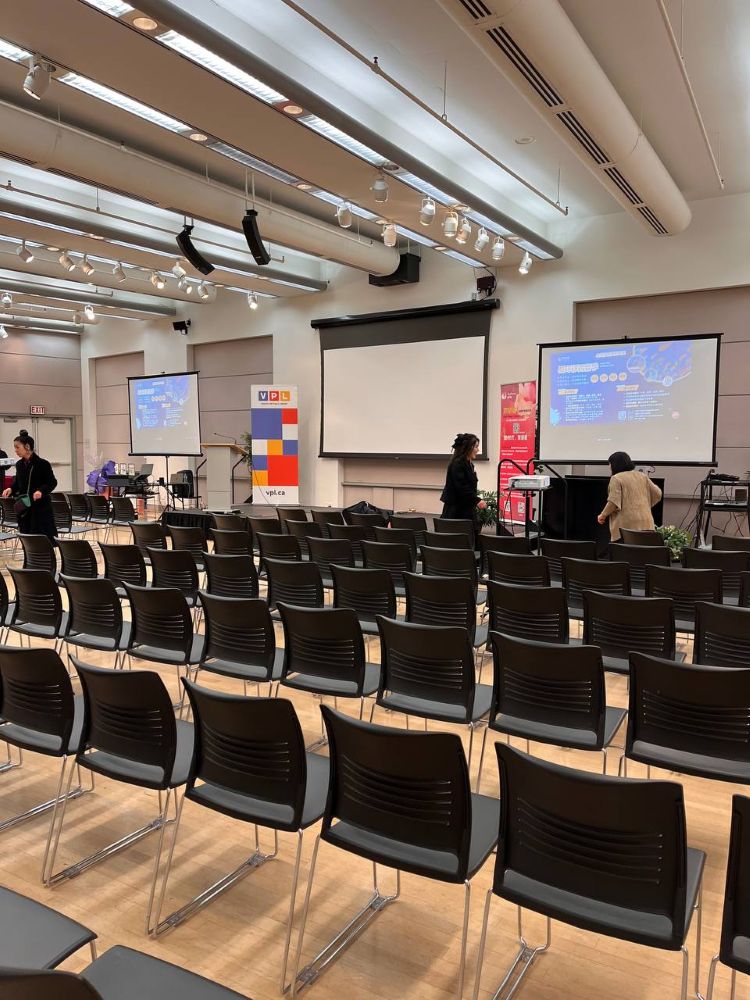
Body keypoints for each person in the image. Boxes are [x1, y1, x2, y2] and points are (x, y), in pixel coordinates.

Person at [1, 429, 58, 541]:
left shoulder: (42, 464)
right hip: (24, 507)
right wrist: (10, 489)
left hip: (40, 508)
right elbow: (17, 483)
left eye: (17, 447)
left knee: (41, 540)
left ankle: (44, 558)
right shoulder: (19, 464)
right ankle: (30, 559)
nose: (15, 450)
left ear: (27, 447)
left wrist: (41, 491)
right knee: (27, 539)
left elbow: (52, 482)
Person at [597, 450, 662, 541]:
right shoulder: (642, 476)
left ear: (615, 464)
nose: (609, 466)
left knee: (625, 554)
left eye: (610, 464)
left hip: (626, 528)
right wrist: (645, 506)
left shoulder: (616, 478)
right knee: (643, 554)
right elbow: (658, 493)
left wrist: (602, 515)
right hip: (647, 525)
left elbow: (613, 502)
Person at [440, 432, 487, 521]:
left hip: (466, 508)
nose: (478, 450)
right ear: (468, 448)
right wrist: (477, 500)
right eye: (476, 447)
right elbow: (461, 487)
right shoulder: (457, 464)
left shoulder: (469, 464)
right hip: (456, 511)